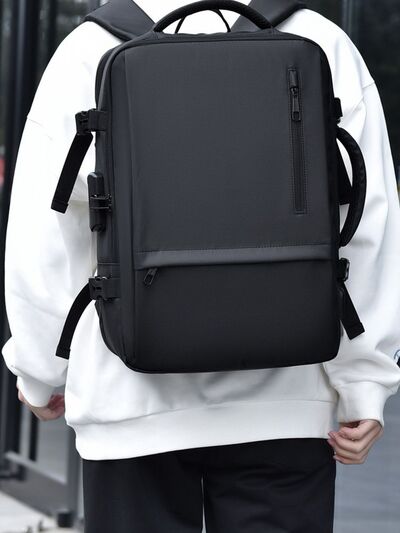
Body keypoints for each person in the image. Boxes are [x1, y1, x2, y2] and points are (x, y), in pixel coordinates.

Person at [2, 1, 400, 532]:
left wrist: (39, 368)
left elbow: (49, 225)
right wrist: (365, 380)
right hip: (285, 400)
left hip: (128, 403)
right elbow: (364, 219)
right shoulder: (320, 38)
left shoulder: (87, 48)